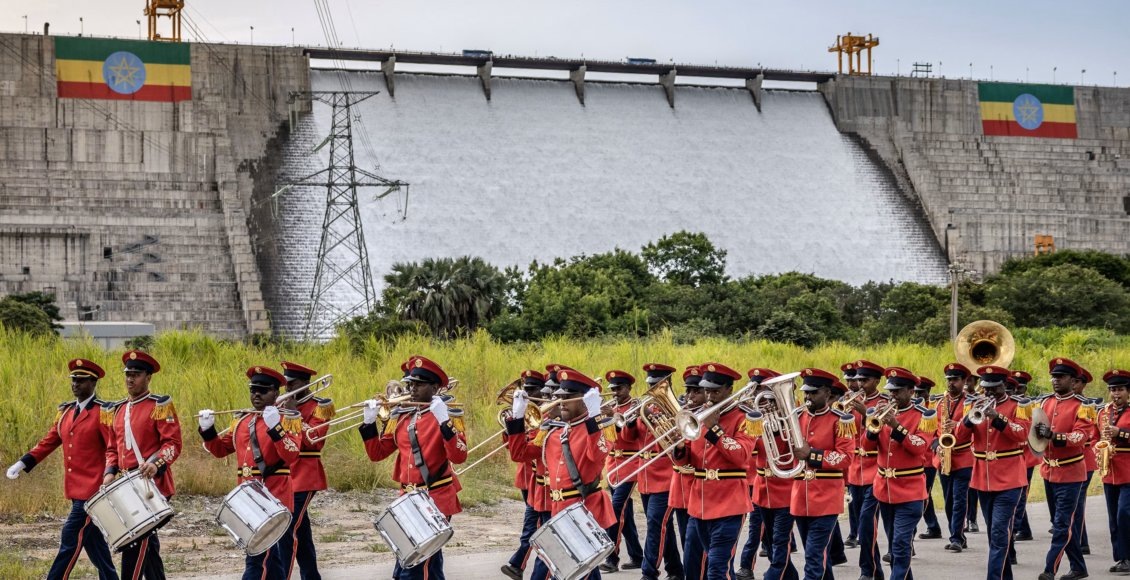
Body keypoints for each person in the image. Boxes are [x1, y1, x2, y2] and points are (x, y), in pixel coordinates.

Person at [7, 358, 117, 580]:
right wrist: (23, 462)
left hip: (93, 491)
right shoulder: (66, 412)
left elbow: (112, 448)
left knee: (70, 538)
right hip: (75, 489)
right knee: (94, 544)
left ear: (93, 383)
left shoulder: (102, 412)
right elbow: (49, 441)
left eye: (81, 380)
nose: (75, 384)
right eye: (73, 380)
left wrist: (110, 473)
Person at [360, 355, 468, 580]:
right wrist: (369, 423)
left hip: (435, 496)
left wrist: (444, 421)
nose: (412, 388)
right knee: (424, 564)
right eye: (410, 384)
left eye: (419, 384)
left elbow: (459, 456)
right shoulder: (401, 416)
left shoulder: (447, 415)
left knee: (415, 565)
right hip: (407, 498)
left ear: (435, 387)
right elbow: (377, 453)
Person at [508, 367, 615, 580]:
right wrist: (517, 418)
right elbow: (520, 453)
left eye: (567, 397)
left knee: (576, 573)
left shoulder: (595, 431)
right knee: (576, 572)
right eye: (559, 397)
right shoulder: (555, 433)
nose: (560, 402)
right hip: (558, 512)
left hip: (583, 512)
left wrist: (594, 417)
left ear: (585, 401)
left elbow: (597, 455)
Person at [199, 366, 303, 579]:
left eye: (263, 390)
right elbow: (220, 450)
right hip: (248, 498)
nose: (256, 394)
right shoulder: (241, 420)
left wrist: (276, 428)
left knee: (256, 558)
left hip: (274, 497)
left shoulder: (287, 418)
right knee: (271, 561)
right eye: (253, 389)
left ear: (275, 392)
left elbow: (292, 454)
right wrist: (208, 430)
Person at [102, 350, 182, 580]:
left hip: (151, 486)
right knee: (147, 546)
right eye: (128, 374)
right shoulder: (116, 410)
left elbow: (173, 444)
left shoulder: (160, 405)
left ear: (148, 377)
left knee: (134, 544)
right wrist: (109, 472)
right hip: (126, 487)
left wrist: (156, 463)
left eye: (136, 374)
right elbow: (111, 449)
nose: (130, 379)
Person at [672, 362, 755, 580]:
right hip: (698, 503)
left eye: (716, 391)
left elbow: (741, 456)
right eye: (707, 390)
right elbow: (685, 463)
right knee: (693, 564)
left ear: (729, 390)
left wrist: (714, 429)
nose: (710, 397)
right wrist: (679, 449)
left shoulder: (745, 418)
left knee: (717, 568)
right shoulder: (697, 416)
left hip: (729, 504)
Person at [954, 365, 1031, 580]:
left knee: (998, 531)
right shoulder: (973, 404)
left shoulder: (1018, 405)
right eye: (985, 388)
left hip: (1009, 480)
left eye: (994, 388)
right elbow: (958, 437)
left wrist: (997, 417)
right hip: (982, 479)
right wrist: (969, 418)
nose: (988, 393)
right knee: (993, 534)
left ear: (1004, 386)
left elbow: (1022, 433)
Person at [864, 368, 935, 580]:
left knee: (901, 544)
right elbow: (866, 448)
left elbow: (920, 446)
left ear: (911, 391)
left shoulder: (924, 416)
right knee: (895, 545)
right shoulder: (881, 414)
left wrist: (896, 426)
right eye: (891, 391)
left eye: (898, 391)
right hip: (884, 489)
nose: (892, 395)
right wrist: (872, 429)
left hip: (910, 490)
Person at [620, 363, 684, 580]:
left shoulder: (678, 410)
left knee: (656, 526)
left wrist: (655, 418)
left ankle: (649, 573)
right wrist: (630, 422)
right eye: (649, 385)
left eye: (656, 385)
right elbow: (630, 440)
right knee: (663, 528)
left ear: (667, 384)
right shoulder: (644, 409)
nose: (651, 389)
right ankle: (676, 570)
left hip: (666, 479)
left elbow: (676, 444)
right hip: (646, 477)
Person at [791, 368, 856, 580]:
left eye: (813, 392)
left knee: (813, 555)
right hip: (800, 496)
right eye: (806, 392)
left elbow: (846, 458)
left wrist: (813, 455)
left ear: (827, 393)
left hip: (826, 497)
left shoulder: (841, 420)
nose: (807, 397)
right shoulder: (795, 418)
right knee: (818, 557)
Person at [1033, 358, 1093, 580]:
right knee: (1064, 525)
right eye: (1054, 377)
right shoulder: (1045, 402)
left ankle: (1050, 569)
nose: (1055, 381)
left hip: (1070, 473)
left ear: (1073, 380)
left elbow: (1080, 437)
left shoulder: (1083, 406)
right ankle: (1078, 567)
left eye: (1061, 377)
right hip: (1049, 472)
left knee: (1061, 525)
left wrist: (1054, 436)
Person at [739, 367, 799, 580]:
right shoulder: (755, 417)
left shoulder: (792, 416)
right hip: (761, 488)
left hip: (785, 488)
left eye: (761, 391)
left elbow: (794, 447)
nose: (758, 398)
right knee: (770, 540)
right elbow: (749, 451)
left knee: (780, 541)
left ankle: (772, 575)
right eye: (755, 392)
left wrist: (776, 426)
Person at [278, 361, 333, 580]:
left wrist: (294, 416)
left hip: (305, 476)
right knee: (301, 532)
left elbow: (314, 440)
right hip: (282, 476)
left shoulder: (320, 406)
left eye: (292, 384)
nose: (287, 390)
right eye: (286, 385)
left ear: (305, 383)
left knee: (286, 530)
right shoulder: (280, 405)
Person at [501, 369, 552, 580]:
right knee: (533, 526)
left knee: (540, 530)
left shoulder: (548, 418)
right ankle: (518, 564)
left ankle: (519, 564)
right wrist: (511, 424)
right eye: (526, 389)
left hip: (551, 487)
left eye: (533, 390)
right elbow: (516, 450)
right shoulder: (532, 415)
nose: (528, 393)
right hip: (534, 483)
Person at [848, 359, 889, 580]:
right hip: (855, 470)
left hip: (875, 470)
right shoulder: (852, 401)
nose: (860, 384)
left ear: (876, 381)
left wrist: (866, 413)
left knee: (866, 524)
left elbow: (878, 436)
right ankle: (876, 570)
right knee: (862, 524)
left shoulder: (883, 404)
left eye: (865, 380)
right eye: (858, 380)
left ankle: (867, 569)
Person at [601, 369, 644, 573]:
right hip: (613, 465)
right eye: (613, 389)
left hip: (630, 464)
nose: (615, 392)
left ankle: (612, 558)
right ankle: (637, 555)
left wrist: (616, 419)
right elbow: (608, 438)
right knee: (625, 514)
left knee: (615, 510)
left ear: (628, 388)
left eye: (619, 388)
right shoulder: (610, 407)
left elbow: (630, 438)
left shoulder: (634, 407)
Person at [669, 366, 706, 580]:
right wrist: (678, 445)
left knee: (698, 546)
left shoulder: (711, 418)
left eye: (696, 391)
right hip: (680, 486)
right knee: (687, 541)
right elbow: (677, 457)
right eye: (689, 391)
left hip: (700, 486)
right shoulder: (683, 415)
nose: (691, 397)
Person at [937, 363, 975, 553]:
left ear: (964, 381)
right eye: (949, 380)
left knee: (960, 499)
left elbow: (975, 426)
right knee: (948, 500)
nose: (951, 383)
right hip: (945, 456)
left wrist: (958, 424)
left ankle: (957, 537)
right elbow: (935, 427)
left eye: (955, 380)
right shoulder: (941, 402)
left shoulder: (970, 403)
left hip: (963, 455)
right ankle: (957, 533)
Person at [1100, 369, 1130, 575]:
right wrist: (1098, 447)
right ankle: (1121, 557)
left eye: (1119, 389)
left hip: (1128, 470)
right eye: (1112, 390)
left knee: (1124, 513)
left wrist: (1122, 433)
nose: (1115, 394)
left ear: (1128, 391)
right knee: (1113, 516)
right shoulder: (1103, 412)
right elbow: (1095, 437)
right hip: (1109, 471)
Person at [1010, 370, 1039, 543]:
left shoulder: (1031, 405)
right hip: (1012, 455)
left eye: (1020, 388)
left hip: (1026, 455)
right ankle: (1024, 529)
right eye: (1014, 388)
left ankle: (1015, 528)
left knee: (1021, 496)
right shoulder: (1012, 404)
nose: (1017, 391)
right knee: (1017, 497)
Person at [915, 375, 943, 541]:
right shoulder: (912, 408)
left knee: (925, 493)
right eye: (916, 393)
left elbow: (939, 429)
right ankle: (933, 526)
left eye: (922, 392)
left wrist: (936, 440)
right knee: (924, 494)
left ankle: (932, 526)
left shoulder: (932, 409)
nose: (918, 396)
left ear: (928, 392)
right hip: (915, 458)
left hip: (928, 459)